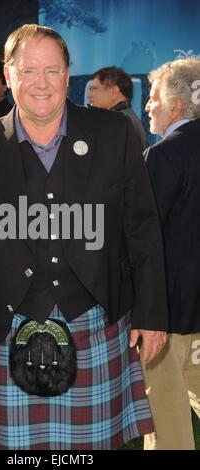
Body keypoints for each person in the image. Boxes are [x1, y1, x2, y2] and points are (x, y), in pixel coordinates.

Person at [0, 24, 168, 450]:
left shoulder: (112, 134)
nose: (40, 82)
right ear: (9, 77)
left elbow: (142, 228)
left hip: (96, 321)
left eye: (52, 70)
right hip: (5, 324)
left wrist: (152, 312)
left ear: (68, 75)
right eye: (28, 71)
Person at [143, 58, 200, 450]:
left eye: (153, 97)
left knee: (167, 419)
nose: (148, 105)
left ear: (176, 105)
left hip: (169, 313)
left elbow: (144, 239)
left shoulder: (163, 156)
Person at [88, 66, 148, 151]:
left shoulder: (118, 123)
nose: (89, 94)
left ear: (114, 92)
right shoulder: (127, 120)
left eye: (94, 89)